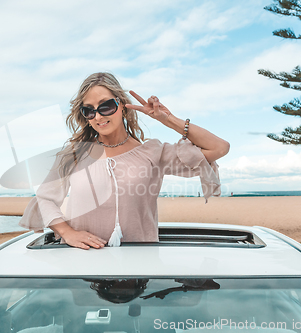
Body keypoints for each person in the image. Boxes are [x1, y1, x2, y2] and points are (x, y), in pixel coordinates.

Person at [19, 72, 229, 249]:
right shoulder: (74, 154)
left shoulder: (152, 152)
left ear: (122, 105)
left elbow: (219, 148)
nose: (98, 117)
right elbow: (45, 198)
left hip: (139, 265)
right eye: (89, 110)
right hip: (82, 263)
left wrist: (168, 120)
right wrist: (67, 232)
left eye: (106, 106)